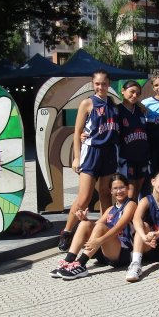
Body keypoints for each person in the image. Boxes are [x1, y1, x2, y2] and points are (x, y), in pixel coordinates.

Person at [58, 69, 119, 252]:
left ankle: (103, 232)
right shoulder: (87, 103)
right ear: (93, 84)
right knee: (84, 198)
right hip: (91, 152)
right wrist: (76, 157)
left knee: (105, 194)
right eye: (97, 83)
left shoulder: (114, 104)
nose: (101, 86)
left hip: (108, 152)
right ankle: (67, 232)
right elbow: (77, 132)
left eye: (104, 83)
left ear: (109, 84)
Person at [50, 174, 137, 280]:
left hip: (123, 252)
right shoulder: (110, 209)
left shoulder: (131, 204)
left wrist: (99, 240)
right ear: (111, 191)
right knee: (85, 224)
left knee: (101, 227)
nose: (119, 191)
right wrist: (84, 219)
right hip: (105, 250)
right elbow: (94, 227)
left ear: (128, 188)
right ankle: (68, 260)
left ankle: (81, 264)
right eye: (115, 188)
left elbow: (118, 228)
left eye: (122, 187)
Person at [125, 170, 159, 283]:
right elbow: (136, 219)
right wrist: (143, 236)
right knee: (143, 225)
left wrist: (158, 232)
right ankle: (136, 264)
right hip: (148, 244)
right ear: (153, 181)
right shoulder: (146, 200)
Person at [117, 80, 149, 199]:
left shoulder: (141, 110)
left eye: (137, 93)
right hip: (126, 157)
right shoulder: (116, 110)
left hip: (142, 156)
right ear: (123, 91)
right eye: (132, 92)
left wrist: (141, 105)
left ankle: (134, 217)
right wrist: (84, 133)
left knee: (137, 192)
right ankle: (126, 216)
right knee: (130, 190)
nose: (134, 95)